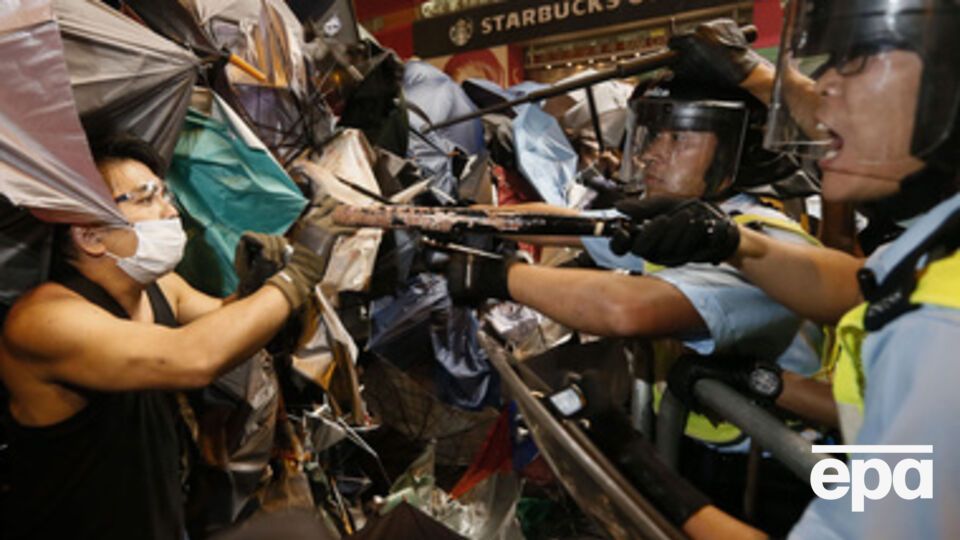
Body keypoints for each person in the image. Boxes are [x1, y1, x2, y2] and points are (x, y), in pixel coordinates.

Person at [611, 3, 960, 538]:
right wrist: (735, 244)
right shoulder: (931, 248)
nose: (823, 92)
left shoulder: (937, 330)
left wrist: (657, 489)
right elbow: (848, 286)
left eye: (860, 61)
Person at [450, 82, 831, 444]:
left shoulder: (760, 242)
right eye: (653, 134)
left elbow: (626, 309)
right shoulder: (692, 221)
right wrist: (449, 218)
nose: (651, 153)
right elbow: (564, 223)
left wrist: (502, 276)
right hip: (700, 445)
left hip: (776, 476)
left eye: (678, 138)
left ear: (738, 148)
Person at [0, 135, 339, 540]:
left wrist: (255, 289)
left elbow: (231, 329)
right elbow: (194, 357)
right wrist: (294, 275)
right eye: (146, 199)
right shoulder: (44, 320)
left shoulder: (160, 288)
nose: (169, 211)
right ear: (89, 236)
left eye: (165, 195)